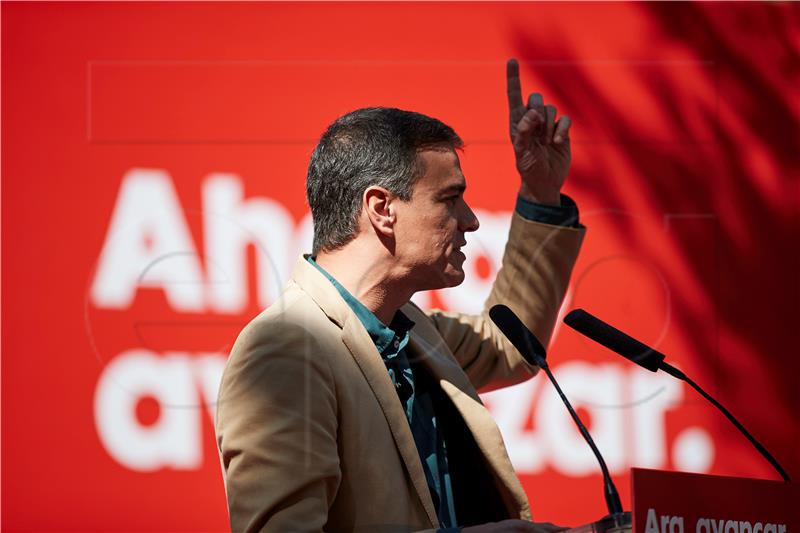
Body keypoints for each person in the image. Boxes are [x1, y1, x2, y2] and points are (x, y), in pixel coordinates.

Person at [215, 59, 585, 532]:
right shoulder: (286, 348)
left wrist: (541, 194)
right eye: (450, 199)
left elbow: (513, 345)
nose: (471, 220)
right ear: (382, 209)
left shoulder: (411, 328)